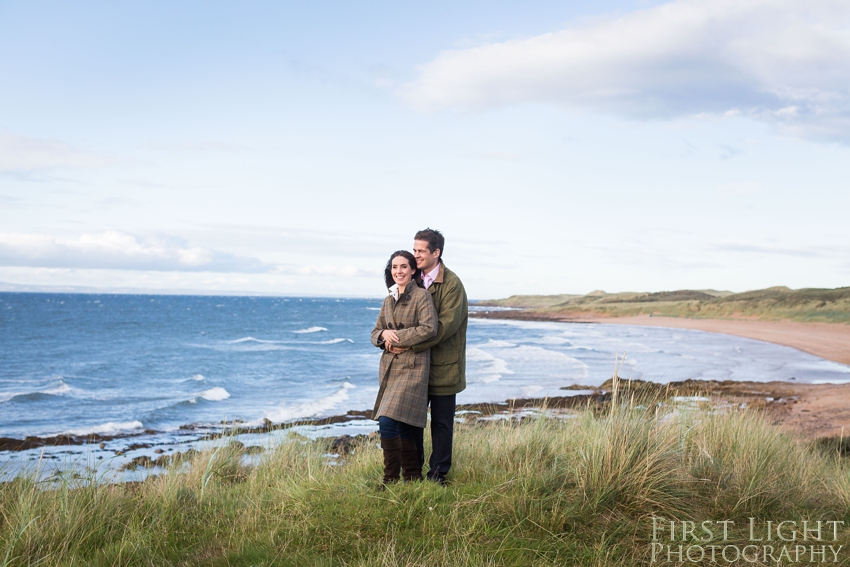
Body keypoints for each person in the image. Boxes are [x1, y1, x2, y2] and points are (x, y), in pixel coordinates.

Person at [387, 228, 467, 485]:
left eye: (421, 250)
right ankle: (415, 473)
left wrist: (405, 343)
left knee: (442, 424)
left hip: (444, 366)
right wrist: (386, 338)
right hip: (413, 367)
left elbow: (443, 327)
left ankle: (438, 474)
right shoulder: (411, 279)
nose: (416, 255)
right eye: (414, 249)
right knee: (411, 422)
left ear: (436, 252)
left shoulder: (452, 284)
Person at [370, 250, 438, 484]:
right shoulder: (388, 299)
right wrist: (383, 336)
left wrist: (397, 337)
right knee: (403, 425)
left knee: (388, 421)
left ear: (412, 270)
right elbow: (374, 333)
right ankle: (410, 477)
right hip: (389, 370)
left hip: (413, 369)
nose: (398, 271)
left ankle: (391, 478)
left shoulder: (421, 296)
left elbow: (429, 328)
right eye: (394, 267)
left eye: (403, 267)